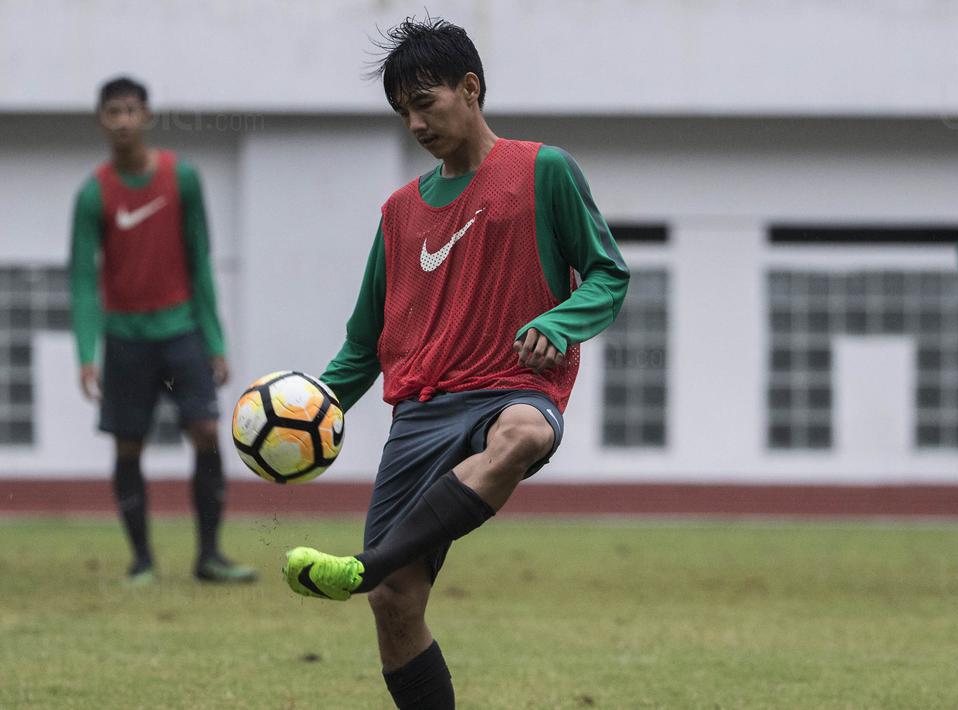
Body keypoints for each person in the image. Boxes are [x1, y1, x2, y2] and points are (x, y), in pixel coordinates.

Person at [280, 18, 630, 708]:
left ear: (469, 89)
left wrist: (558, 321)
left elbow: (607, 274)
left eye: (424, 102)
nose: (413, 122)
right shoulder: (400, 211)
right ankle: (373, 571)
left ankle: (362, 563)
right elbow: (364, 344)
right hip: (420, 413)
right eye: (402, 111)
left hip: (513, 388)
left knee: (524, 436)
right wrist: (309, 410)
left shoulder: (542, 170)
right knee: (393, 602)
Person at [69, 76, 256, 586]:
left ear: (147, 116)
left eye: (132, 110)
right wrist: (86, 353)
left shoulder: (182, 179)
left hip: (181, 333)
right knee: (128, 445)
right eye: (114, 112)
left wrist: (215, 341)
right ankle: (142, 561)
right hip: (126, 339)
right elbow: (84, 281)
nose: (124, 121)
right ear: (101, 121)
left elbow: (200, 262)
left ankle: (210, 555)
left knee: (205, 430)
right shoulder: (93, 194)